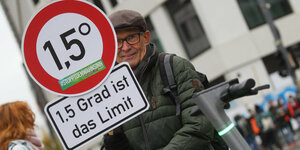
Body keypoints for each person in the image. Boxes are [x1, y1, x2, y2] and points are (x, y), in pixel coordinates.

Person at [102, 9, 227, 150]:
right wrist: (111, 141)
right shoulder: (110, 90)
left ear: (146, 37)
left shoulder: (174, 67)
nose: (125, 47)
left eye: (131, 38)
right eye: (118, 41)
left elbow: (200, 125)